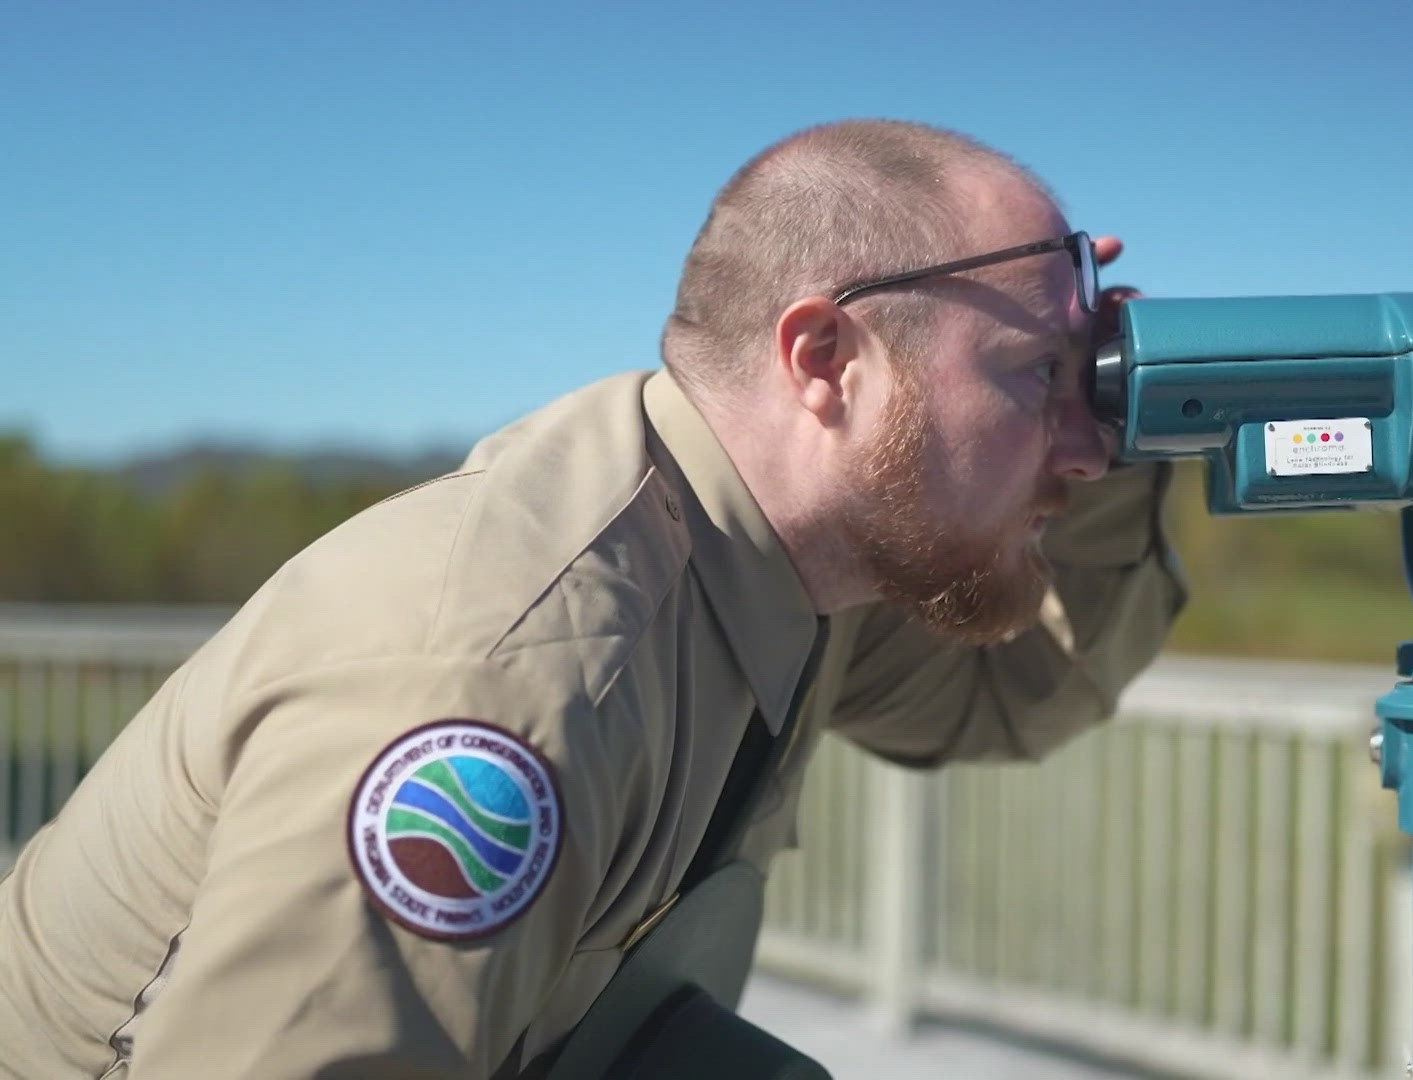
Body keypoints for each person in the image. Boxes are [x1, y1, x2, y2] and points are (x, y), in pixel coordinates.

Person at [0, 119, 1184, 1078]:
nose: (1083, 449)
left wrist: (1148, 426)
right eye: (1038, 376)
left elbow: (1023, 696)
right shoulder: (513, 673)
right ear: (827, 361)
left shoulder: (789, 580)